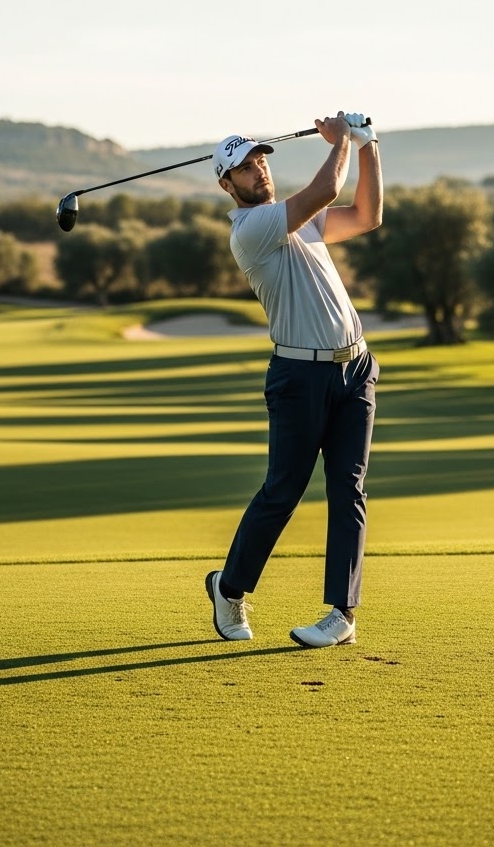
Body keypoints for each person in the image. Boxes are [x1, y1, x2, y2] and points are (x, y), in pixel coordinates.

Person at [205, 111, 382, 648]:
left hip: (355, 369)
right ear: (226, 183)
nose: (258, 169)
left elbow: (368, 214)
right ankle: (230, 590)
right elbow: (328, 187)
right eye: (245, 166)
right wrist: (341, 140)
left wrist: (369, 144)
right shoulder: (254, 228)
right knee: (283, 490)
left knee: (348, 489)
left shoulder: (296, 220)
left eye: (260, 160)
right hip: (298, 377)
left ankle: (341, 615)